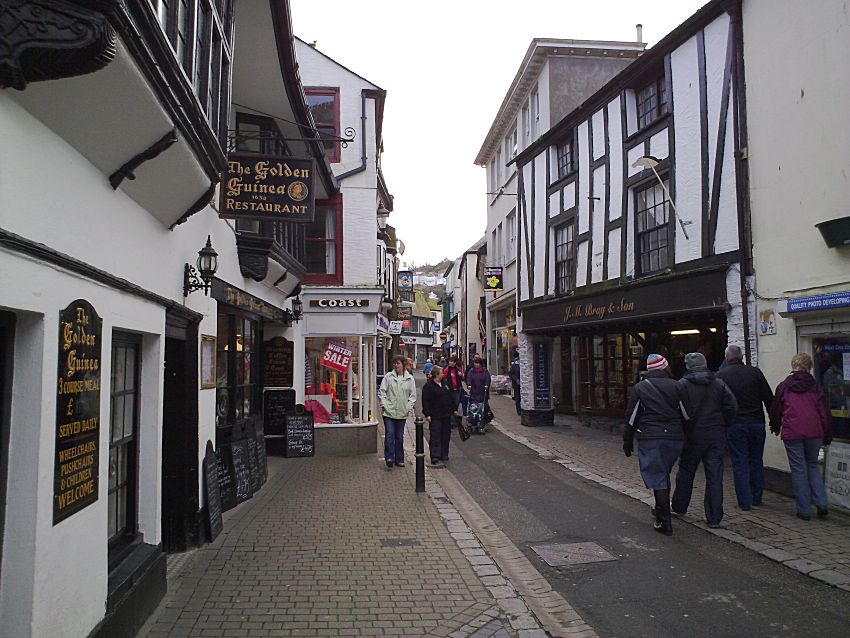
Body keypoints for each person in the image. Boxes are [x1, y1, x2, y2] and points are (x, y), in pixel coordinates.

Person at [671, 352, 738, 528]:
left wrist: (682, 429)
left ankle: (679, 506)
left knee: (686, 472)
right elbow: (732, 406)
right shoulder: (718, 383)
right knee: (715, 476)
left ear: (688, 366)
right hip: (715, 434)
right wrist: (724, 423)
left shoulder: (682, 385)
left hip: (692, 435)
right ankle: (714, 517)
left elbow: (675, 411)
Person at [623, 354, 687, 536]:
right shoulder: (678, 386)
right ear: (665, 367)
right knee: (663, 472)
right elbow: (686, 413)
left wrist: (627, 441)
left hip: (651, 437)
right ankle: (661, 510)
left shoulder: (641, 388)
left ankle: (664, 520)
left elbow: (632, 418)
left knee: (657, 475)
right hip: (674, 438)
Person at [768, 353, 831, 521]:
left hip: (793, 431)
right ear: (809, 367)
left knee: (798, 469)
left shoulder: (784, 386)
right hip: (814, 431)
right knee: (812, 466)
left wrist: (775, 425)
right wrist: (827, 433)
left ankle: (804, 510)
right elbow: (823, 412)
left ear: (793, 366)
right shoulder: (816, 386)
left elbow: (776, 409)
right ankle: (821, 502)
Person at [717, 345, 774, 510]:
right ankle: (757, 496)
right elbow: (768, 398)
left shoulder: (721, 375)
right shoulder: (755, 373)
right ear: (741, 357)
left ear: (726, 358)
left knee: (740, 462)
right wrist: (774, 421)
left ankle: (744, 500)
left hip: (735, 424)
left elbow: (718, 401)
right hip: (756, 422)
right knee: (756, 460)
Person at [378, 355, 416, 468]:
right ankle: (389, 457)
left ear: (403, 365)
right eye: (394, 363)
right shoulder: (388, 377)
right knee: (390, 434)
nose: (396, 365)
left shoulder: (409, 379)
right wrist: (384, 404)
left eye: (398, 363)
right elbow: (382, 392)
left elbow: (412, 396)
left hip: (401, 413)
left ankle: (399, 458)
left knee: (399, 436)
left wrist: (407, 407)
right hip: (389, 412)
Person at [422, 366, 456, 464]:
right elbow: (425, 401)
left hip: (446, 413)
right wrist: (427, 414)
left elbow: (451, 396)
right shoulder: (428, 386)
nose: (443, 374)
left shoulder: (445, 384)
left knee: (446, 434)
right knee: (435, 435)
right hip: (435, 414)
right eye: (441, 372)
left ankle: (444, 454)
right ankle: (435, 455)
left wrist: (454, 408)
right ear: (436, 374)